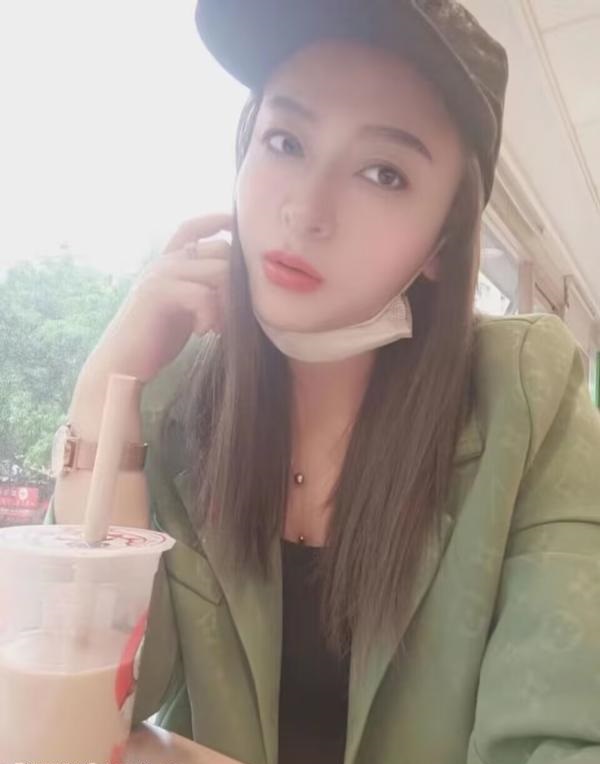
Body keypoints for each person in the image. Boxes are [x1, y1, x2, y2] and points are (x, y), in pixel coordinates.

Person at [50, 1, 600, 762]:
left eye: (383, 172)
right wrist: (105, 387)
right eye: (286, 140)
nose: (306, 211)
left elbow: (565, 732)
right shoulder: (178, 402)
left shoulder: (526, 398)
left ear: (442, 243)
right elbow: (99, 700)